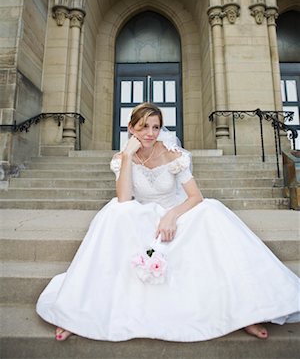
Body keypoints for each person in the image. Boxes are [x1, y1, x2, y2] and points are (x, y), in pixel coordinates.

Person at [36, 102, 300, 342]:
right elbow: (124, 198)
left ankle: (246, 312)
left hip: (176, 212)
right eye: (143, 127)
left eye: (155, 127)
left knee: (211, 211)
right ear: (131, 128)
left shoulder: (173, 155)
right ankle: (77, 313)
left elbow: (195, 197)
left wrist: (172, 215)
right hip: (140, 214)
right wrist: (128, 156)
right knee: (116, 213)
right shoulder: (121, 159)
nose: (150, 133)